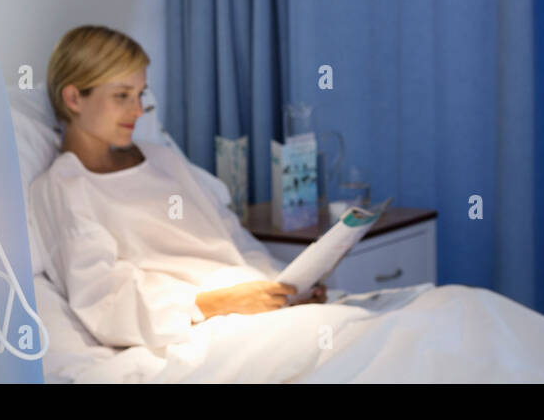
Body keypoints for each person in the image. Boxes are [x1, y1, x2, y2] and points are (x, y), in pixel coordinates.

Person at [29, 24, 325, 350]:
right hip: (200, 328)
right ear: (73, 98)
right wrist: (219, 304)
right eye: (122, 96)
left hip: (259, 307)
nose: (138, 110)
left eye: (140, 94)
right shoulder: (65, 187)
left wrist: (288, 286)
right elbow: (104, 301)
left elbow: (234, 240)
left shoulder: (163, 160)